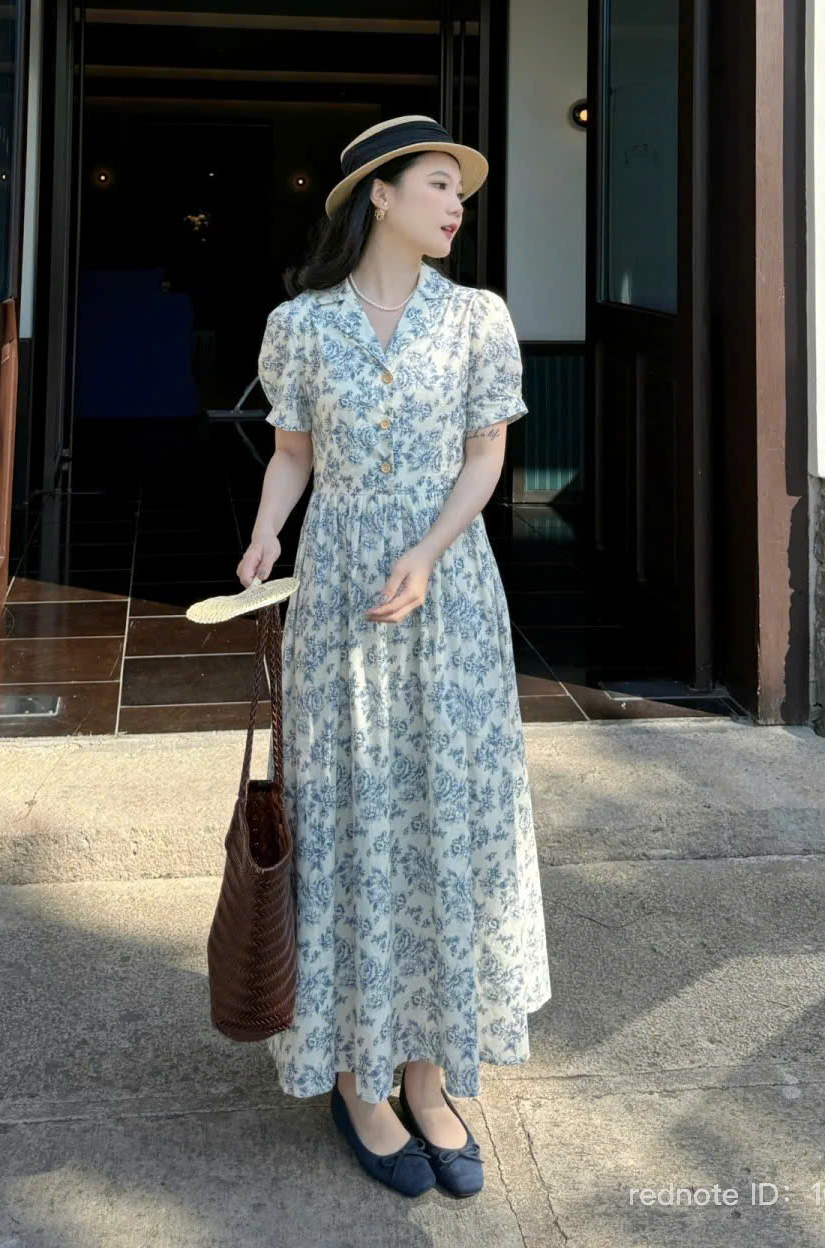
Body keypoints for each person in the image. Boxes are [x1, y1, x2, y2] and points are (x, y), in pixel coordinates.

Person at [236, 113, 552, 1202]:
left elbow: (486, 456)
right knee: (349, 821)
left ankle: (425, 1073)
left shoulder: (477, 319)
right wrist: (267, 532)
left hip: (447, 590)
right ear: (379, 194)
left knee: (441, 817)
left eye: (460, 188)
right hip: (338, 596)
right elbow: (293, 454)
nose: (456, 204)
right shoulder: (301, 326)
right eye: (436, 184)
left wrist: (426, 550)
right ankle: (356, 1078)